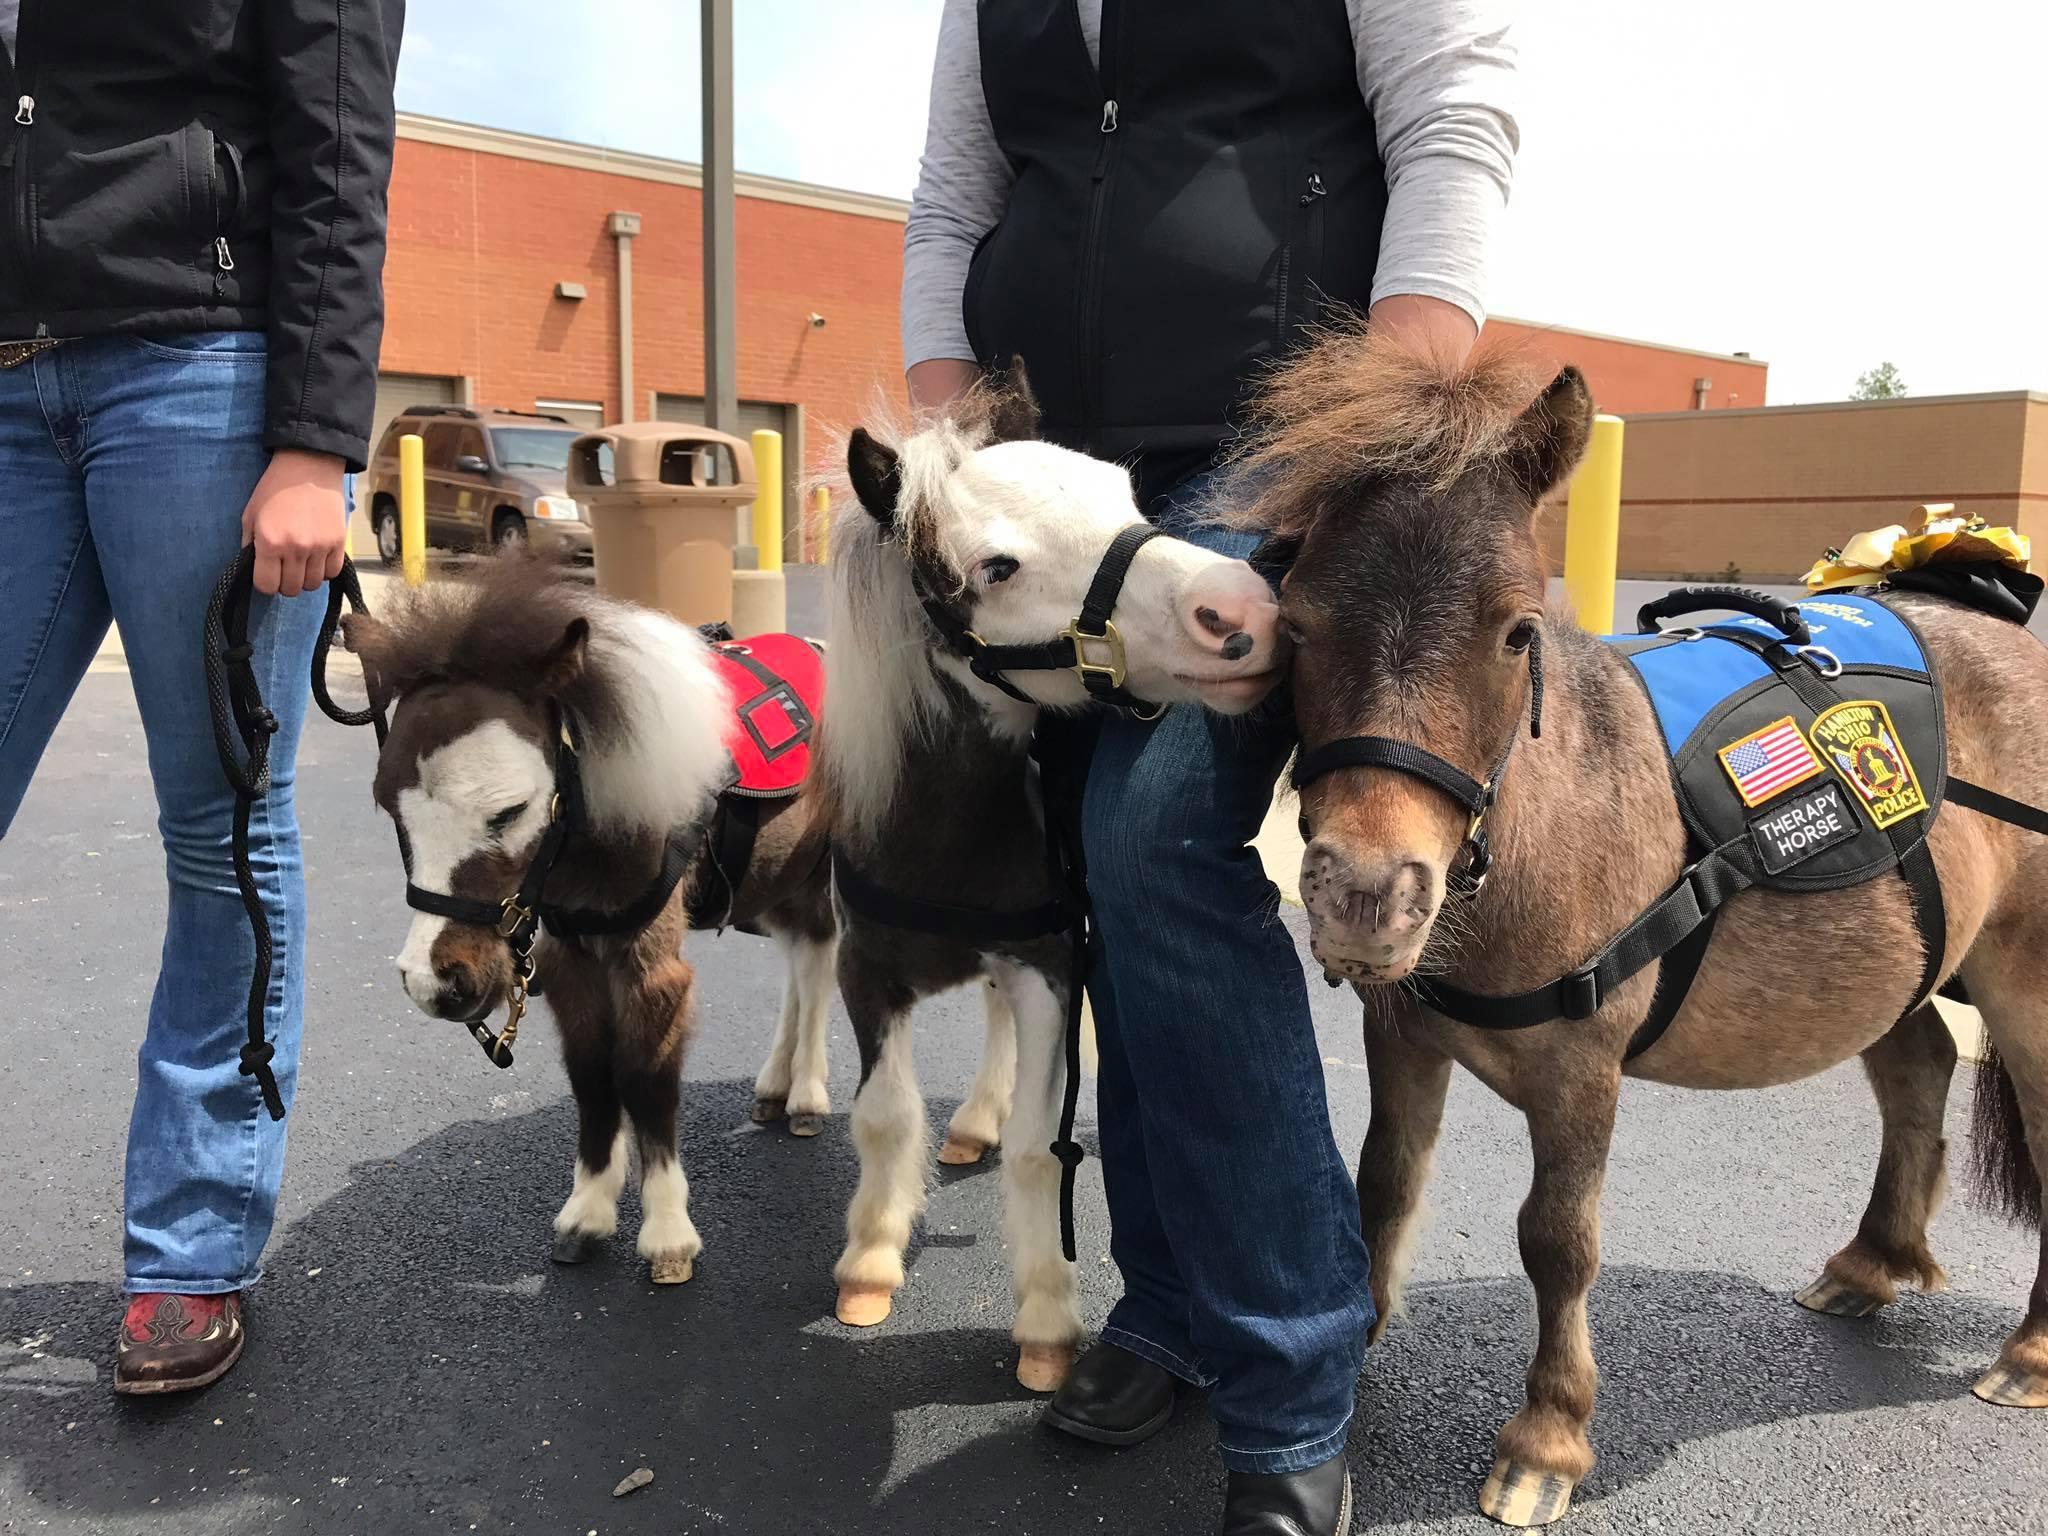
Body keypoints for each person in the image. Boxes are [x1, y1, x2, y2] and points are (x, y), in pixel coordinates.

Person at [903, 2, 1517, 1531]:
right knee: (1079, 864)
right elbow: (957, 192)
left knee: (1161, 836)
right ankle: (1169, 1300)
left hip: (1271, 442)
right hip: (1054, 467)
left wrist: (1380, 420)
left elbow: (1454, 106)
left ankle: (1294, 1371)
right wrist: (949, 435)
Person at [0, 0, 404, 1394]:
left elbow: (340, 132)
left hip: (198, 370)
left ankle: (188, 1247)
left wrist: (314, 436)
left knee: (218, 825)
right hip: (8, 374)